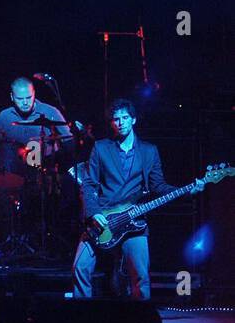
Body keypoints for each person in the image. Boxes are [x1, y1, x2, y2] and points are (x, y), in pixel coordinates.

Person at [72, 98, 198, 300]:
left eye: (124, 118)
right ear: (111, 123)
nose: (120, 123)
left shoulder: (149, 151)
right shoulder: (101, 147)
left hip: (133, 222)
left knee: (140, 275)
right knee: (80, 267)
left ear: (133, 120)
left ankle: (141, 322)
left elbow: (158, 186)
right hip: (102, 219)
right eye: (115, 119)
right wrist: (94, 213)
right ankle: (80, 316)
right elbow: (89, 185)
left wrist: (186, 190)